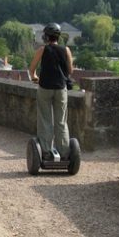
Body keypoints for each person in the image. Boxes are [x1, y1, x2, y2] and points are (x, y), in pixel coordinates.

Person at [28, 23, 74, 160]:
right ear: (58, 37)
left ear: (46, 37)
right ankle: (65, 152)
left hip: (45, 88)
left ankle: (46, 151)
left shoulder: (42, 50)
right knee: (61, 121)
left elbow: (31, 69)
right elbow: (70, 71)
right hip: (60, 88)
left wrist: (35, 77)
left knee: (45, 119)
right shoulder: (66, 50)